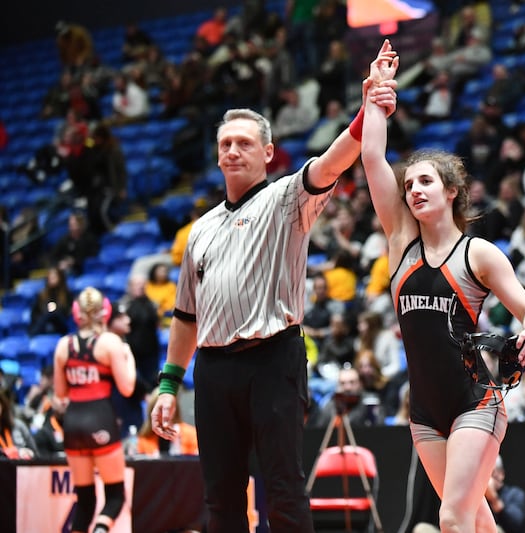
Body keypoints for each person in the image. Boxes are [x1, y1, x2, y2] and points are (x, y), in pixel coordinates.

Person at [149, 41, 399, 533]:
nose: (232, 150)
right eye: (225, 144)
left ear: (267, 152)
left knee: (283, 489)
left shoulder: (286, 199)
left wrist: (368, 107)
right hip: (213, 369)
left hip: (273, 360)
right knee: (220, 498)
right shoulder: (199, 230)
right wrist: (168, 385)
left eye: (244, 143)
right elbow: (185, 317)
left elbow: (332, 162)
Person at [361, 41, 525, 533]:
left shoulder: (478, 253)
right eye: (408, 185)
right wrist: (375, 95)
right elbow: (372, 157)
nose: (413, 190)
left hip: (475, 399)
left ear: (451, 192)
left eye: (424, 182)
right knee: (478, 520)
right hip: (424, 410)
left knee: (452, 516)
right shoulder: (400, 243)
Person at [53, 287, 136, 533]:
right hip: (100, 420)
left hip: (73, 424)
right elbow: (127, 388)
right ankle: (101, 529)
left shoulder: (63, 345)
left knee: (85, 501)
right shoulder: (110, 342)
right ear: (105, 312)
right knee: (115, 497)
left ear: (76, 312)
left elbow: (60, 394)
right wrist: (128, 357)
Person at [0, 389, 38, 460]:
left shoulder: (18, 425)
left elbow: (35, 453)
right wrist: (7, 453)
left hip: (21, 465)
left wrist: (27, 453)